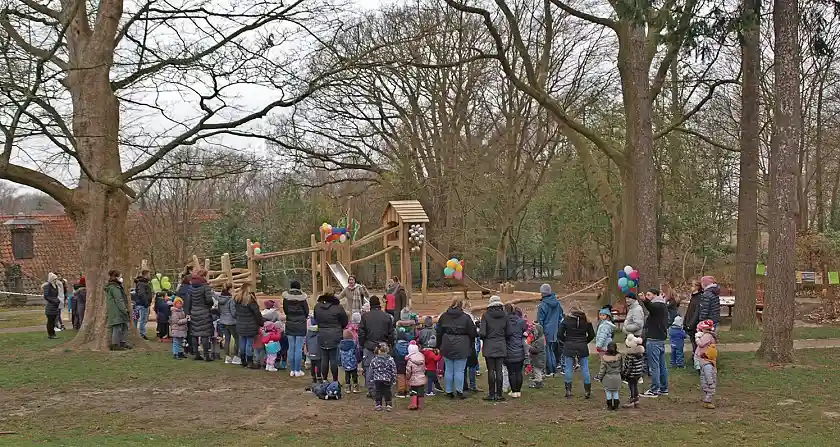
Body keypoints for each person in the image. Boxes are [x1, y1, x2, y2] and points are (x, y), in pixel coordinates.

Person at [435, 298, 478, 399]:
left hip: (447, 344)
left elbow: (439, 331)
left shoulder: (444, 316)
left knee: (449, 369)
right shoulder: (466, 317)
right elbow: (473, 333)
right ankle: (459, 391)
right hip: (462, 345)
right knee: (459, 370)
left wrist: (439, 345)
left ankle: (449, 391)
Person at [359, 296, 395, 396]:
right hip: (383, 346)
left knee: (369, 368)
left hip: (369, 345)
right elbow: (391, 333)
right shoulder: (387, 316)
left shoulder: (365, 317)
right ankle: (384, 390)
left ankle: (372, 390)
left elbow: (361, 332)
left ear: (370, 305)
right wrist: (390, 344)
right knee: (384, 368)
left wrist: (362, 344)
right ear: (379, 304)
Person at [558, 304, 595, 399]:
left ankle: (568, 391)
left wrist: (565, 341)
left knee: (568, 368)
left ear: (571, 310)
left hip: (569, 344)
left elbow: (559, 334)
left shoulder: (566, 320)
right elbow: (592, 334)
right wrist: (585, 341)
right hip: (582, 345)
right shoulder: (586, 320)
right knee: (585, 368)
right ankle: (587, 391)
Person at [640, 288, 669, 397]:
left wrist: (644, 300)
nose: (647, 296)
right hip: (660, 339)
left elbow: (651, 307)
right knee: (662, 365)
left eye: (649, 295)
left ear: (655, 295)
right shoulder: (662, 306)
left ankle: (655, 389)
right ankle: (664, 388)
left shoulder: (657, 305)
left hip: (654, 339)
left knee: (655, 366)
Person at [313, 293, 349, 382]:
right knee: (333, 359)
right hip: (335, 334)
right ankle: (335, 380)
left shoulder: (317, 307)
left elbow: (316, 319)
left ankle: (324, 379)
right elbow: (344, 321)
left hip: (322, 334)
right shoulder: (338, 307)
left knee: (324, 358)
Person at [480, 296, 508, 402]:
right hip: (501, 344)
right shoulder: (505, 315)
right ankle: (500, 394)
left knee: (491, 370)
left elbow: (482, 332)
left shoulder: (486, 315)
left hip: (489, 345)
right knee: (499, 370)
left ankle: (492, 394)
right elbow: (509, 332)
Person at [185, 269, 215, 361]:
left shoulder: (191, 287)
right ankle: (206, 355)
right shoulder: (205, 286)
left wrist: (188, 312)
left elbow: (188, 301)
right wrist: (209, 305)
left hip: (194, 311)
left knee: (195, 334)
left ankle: (197, 354)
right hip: (204, 311)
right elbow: (209, 300)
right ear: (204, 276)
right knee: (204, 334)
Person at [283, 280, 309, 377]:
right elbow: (306, 311)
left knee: (291, 347)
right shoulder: (302, 299)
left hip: (290, 323)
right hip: (300, 323)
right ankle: (298, 370)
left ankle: (292, 370)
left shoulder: (286, 298)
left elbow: (285, 310)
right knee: (298, 348)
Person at [234, 283, 263, 369]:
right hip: (250, 325)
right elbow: (257, 313)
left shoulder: (237, 299)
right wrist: (261, 322)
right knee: (249, 344)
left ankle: (243, 360)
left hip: (240, 324)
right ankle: (250, 362)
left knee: (242, 343)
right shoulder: (251, 300)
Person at [537, 284, 564, 377]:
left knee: (547, 350)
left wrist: (540, 332)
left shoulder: (542, 305)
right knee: (552, 349)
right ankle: (554, 368)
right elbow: (561, 316)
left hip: (546, 330)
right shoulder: (558, 304)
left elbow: (540, 320)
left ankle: (550, 370)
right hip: (555, 330)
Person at [105, 270, 131, 351]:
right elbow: (119, 300)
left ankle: (123, 342)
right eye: (120, 276)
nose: (121, 278)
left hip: (118, 310)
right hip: (117, 310)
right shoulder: (114, 287)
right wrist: (124, 309)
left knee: (124, 326)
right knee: (117, 327)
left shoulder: (116, 286)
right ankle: (115, 344)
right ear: (116, 277)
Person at [695, 319, 719, 409]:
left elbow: (701, 344)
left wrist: (697, 338)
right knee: (705, 378)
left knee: (708, 378)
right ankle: (707, 398)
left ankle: (708, 400)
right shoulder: (709, 336)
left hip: (706, 361)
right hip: (704, 361)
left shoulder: (707, 336)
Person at [505, 304, 526, 399]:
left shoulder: (505, 322)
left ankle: (514, 391)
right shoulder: (521, 321)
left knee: (511, 372)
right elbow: (525, 331)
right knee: (518, 371)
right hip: (520, 348)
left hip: (509, 349)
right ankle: (518, 391)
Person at [595, 341, 623, 410]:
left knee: (608, 391)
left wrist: (600, 377)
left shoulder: (604, 358)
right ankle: (616, 406)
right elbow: (622, 367)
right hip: (617, 377)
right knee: (616, 391)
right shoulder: (619, 357)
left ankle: (609, 406)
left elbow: (602, 370)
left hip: (608, 377)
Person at [369, 342, 397, 411]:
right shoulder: (390, 359)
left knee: (378, 391)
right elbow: (393, 369)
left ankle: (378, 405)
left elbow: (371, 370)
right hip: (387, 378)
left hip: (377, 379)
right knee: (387, 391)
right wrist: (393, 378)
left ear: (378, 350)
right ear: (387, 350)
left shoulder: (374, 359)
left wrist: (371, 378)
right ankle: (388, 405)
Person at [684, 280, 703, 371]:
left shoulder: (699, 298)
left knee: (696, 343)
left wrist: (691, 324)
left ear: (697, 287)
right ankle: (694, 359)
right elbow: (689, 311)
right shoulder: (693, 297)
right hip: (690, 323)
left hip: (694, 324)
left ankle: (697, 362)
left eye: (692, 286)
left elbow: (696, 313)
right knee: (693, 343)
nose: (691, 287)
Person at [217, 283, 239, 365]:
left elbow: (219, 310)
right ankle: (236, 357)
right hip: (232, 322)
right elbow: (233, 312)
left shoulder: (220, 299)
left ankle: (227, 357)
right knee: (237, 339)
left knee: (227, 339)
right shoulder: (231, 299)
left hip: (223, 320)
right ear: (230, 289)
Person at [622, 334, 645, 408]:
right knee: (635, 386)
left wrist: (625, 374)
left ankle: (632, 400)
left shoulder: (630, 356)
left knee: (631, 386)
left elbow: (628, 367)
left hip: (631, 374)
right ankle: (636, 400)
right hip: (638, 374)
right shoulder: (640, 354)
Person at [405, 341, 427, 410]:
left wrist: (407, 377)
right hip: (421, 376)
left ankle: (413, 404)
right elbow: (424, 367)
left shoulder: (410, 359)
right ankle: (420, 405)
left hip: (413, 377)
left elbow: (408, 370)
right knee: (421, 391)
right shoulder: (422, 356)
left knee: (413, 391)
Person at [133, 270, 153, 340]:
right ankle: (142, 334)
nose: (150, 276)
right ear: (146, 274)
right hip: (142, 304)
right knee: (143, 319)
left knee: (142, 319)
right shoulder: (142, 283)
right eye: (149, 274)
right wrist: (146, 302)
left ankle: (140, 333)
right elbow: (141, 293)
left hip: (143, 304)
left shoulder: (144, 283)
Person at [43, 273, 61, 339]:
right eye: (55, 279)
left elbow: (55, 295)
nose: (56, 280)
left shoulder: (55, 286)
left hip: (55, 306)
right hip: (50, 306)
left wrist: (57, 301)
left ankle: (53, 333)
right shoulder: (47, 286)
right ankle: (51, 334)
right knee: (50, 321)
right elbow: (46, 296)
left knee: (54, 321)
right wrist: (54, 301)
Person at [528, 323, 546, 388]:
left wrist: (529, 348)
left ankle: (539, 382)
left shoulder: (540, 340)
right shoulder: (539, 339)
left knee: (537, 371)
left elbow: (537, 350)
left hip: (538, 360)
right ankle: (537, 381)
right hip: (537, 359)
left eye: (535, 331)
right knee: (536, 371)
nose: (534, 333)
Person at [306, 316, 321, 383]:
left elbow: (306, 341)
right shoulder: (319, 332)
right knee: (319, 365)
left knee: (312, 364)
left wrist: (307, 349)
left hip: (311, 351)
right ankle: (319, 376)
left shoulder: (309, 332)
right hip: (318, 351)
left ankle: (313, 377)